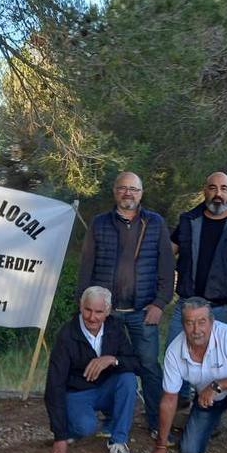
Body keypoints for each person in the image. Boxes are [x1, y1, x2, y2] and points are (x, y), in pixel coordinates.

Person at [77, 171, 174, 433]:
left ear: (141, 194)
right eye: (123, 188)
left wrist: (159, 303)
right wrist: (84, 306)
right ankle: (112, 421)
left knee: (150, 367)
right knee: (109, 365)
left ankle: (156, 422)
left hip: (143, 311)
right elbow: (86, 267)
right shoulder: (99, 223)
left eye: (134, 189)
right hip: (107, 314)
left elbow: (166, 267)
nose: (128, 193)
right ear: (114, 191)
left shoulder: (154, 223)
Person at [142, 298, 227, 453]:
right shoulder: (174, 352)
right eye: (190, 323)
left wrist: (217, 385)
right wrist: (161, 445)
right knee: (189, 450)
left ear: (212, 322)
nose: (196, 330)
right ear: (183, 324)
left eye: (202, 322)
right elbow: (169, 399)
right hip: (207, 397)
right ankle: (213, 423)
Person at [44, 286, 140, 453]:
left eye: (98, 312)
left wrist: (112, 360)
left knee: (128, 379)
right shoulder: (67, 335)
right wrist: (60, 436)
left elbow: (136, 363)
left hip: (105, 388)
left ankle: (118, 441)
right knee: (86, 427)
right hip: (77, 393)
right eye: (88, 310)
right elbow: (54, 385)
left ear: (108, 311)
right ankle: (71, 428)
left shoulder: (115, 327)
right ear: (81, 306)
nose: (92, 317)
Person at [168, 171, 227, 338]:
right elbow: (165, 256)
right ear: (204, 191)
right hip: (187, 306)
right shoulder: (188, 221)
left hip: (226, 309)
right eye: (212, 188)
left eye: (224, 189)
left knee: (222, 362)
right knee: (175, 358)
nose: (218, 194)